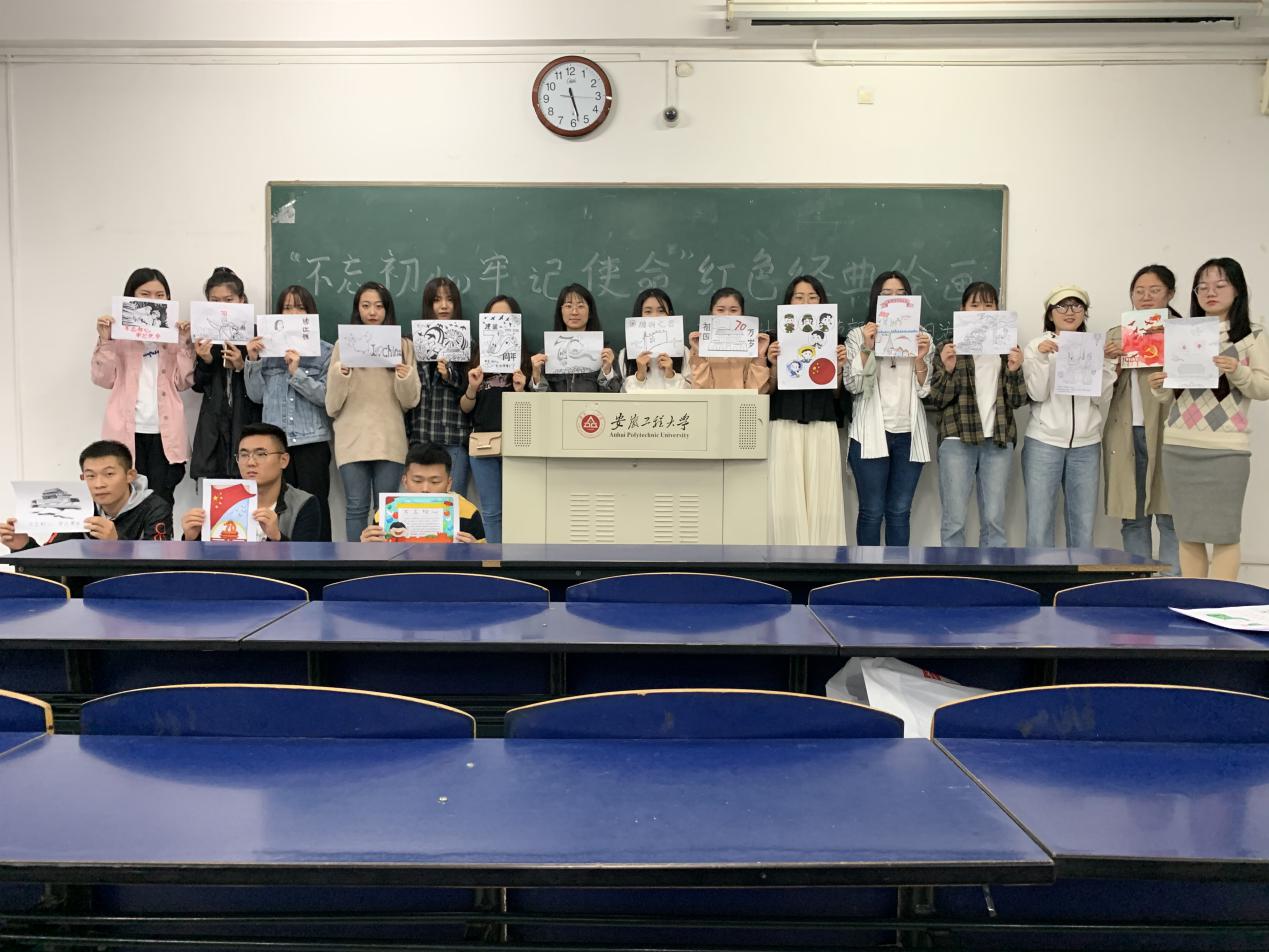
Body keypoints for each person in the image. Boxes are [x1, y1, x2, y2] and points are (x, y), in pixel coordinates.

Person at [1151, 257, 1269, 580]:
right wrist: (1160, 387)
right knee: (1187, 532)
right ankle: (1195, 601)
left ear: (1237, 289)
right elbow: (1173, 395)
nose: (1210, 292)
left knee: (1225, 533)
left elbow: (1263, 387)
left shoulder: (1251, 335)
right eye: (1202, 287)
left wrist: (1238, 371)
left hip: (1226, 449)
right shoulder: (1182, 334)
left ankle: (1222, 603)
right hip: (1178, 444)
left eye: (1219, 285)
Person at [929, 282, 1026, 547]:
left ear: (997, 309)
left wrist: (1015, 370)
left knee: (994, 521)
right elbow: (937, 399)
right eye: (975, 305)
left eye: (988, 304)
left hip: (998, 440)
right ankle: (953, 573)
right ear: (962, 310)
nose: (982, 310)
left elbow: (1018, 400)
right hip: (957, 440)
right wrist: (948, 369)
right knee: (954, 521)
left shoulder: (1007, 348)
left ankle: (991, 573)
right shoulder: (948, 347)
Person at [1022, 285, 1118, 549]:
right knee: (1039, 524)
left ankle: (1078, 576)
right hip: (1044, 442)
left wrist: (1107, 363)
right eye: (1061, 306)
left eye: (1077, 306)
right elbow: (1037, 394)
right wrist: (1042, 359)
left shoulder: (1094, 347)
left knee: (1083, 525)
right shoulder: (1036, 346)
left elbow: (1101, 398)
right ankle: (1039, 574)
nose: (1069, 311)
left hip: (1086, 445)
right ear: (1050, 314)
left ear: (1084, 313)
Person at [326, 282, 421, 542]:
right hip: (352, 439)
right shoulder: (343, 346)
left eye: (379, 306)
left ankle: (384, 561)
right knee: (356, 506)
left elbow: (410, 401)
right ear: (357, 309)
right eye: (366, 305)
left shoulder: (403, 346)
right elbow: (332, 406)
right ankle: (355, 563)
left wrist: (404, 377)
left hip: (390, 438)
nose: (372, 312)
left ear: (387, 310)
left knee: (386, 510)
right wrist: (340, 375)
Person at [844, 271, 934, 546]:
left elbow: (924, 390)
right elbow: (853, 385)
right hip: (870, 433)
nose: (894, 299)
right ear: (876, 299)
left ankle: (897, 570)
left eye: (901, 294)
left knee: (899, 512)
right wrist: (867, 349)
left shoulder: (922, 336)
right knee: (871, 512)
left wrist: (920, 359)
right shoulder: (858, 335)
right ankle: (867, 571)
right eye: (886, 294)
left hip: (909, 434)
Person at [91, 268, 194, 504]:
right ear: (131, 298)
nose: (153, 301)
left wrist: (184, 343)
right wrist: (106, 340)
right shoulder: (118, 335)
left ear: (168, 299)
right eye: (145, 295)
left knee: (161, 501)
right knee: (124, 501)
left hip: (164, 434)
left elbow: (184, 381)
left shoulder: (174, 336)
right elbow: (103, 379)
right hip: (126, 433)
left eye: (160, 295)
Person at [1103, 265, 1181, 574]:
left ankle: (1173, 586)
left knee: (1170, 514)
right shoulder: (1116, 334)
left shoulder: (1183, 333)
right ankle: (1138, 584)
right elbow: (1099, 391)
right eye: (1139, 291)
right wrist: (1112, 363)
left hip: (1167, 431)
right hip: (1125, 432)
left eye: (1154, 290)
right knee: (1133, 515)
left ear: (1169, 294)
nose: (1146, 297)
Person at [243, 285, 334, 540]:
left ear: (310, 313)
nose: (293, 313)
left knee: (316, 506)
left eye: (300, 307)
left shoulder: (326, 351)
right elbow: (256, 396)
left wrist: (297, 373)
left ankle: (319, 560)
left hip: (311, 442)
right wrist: (253, 360)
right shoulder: (266, 351)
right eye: (287, 307)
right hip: (275, 445)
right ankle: (279, 554)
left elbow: (327, 399)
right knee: (277, 507)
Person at [765, 275, 849, 545]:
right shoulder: (774, 341)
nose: (806, 303)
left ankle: (825, 558)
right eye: (799, 297)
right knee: (785, 498)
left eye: (813, 297)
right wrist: (773, 364)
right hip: (784, 424)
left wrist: (840, 369)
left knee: (823, 496)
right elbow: (768, 390)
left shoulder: (836, 341)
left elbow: (837, 395)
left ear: (822, 303)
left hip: (822, 423)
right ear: (788, 303)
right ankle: (784, 557)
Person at [1, 440, 173, 549]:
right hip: (81, 592)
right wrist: (23, 545)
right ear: (83, 478)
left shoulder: (155, 508)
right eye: (91, 476)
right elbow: (51, 568)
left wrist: (118, 544)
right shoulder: (78, 507)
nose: (99, 484)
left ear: (130, 475)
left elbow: (158, 569)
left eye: (109, 474)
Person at [459, 294, 529, 544]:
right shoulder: (476, 360)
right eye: (493, 318)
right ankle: (495, 561)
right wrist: (472, 387)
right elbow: (465, 407)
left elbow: (532, 412)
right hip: (483, 443)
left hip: (518, 445)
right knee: (491, 511)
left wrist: (521, 391)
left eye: (506, 319)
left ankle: (518, 560)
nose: (500, 324)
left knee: (521, 510)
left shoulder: (526, 360)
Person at [179, 423, 321, 542]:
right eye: (244, 455)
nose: (251, 462)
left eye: (261, 454)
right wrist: (191, 539)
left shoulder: (303, 504)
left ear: (283, 460)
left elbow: (305, 561)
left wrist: (277, 537)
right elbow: (206, 559)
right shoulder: (220, 500)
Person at [190, 267, 262, 480]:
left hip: (246, 421)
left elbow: (261, 391)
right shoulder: (204, 335)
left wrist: (242, 366)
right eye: (214, 301)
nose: (222, 307)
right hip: (214, 426)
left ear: (242, 300)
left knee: (248, 483)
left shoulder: (256, 336)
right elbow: (197, 385)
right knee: (216, 490)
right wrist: (206, 361)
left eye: (228, 300)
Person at [408, 276, 471, 496]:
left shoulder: (468, 345)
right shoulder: (411, 345)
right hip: (420, 435)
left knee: (453, 504)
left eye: (449, 300)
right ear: (428, 305)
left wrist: (449, 375)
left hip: (454, 435)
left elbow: (471, 392)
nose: (444, 306)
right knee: (420, 505)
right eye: (436, 300)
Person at [359, 443, 486, 543]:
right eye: (417, 481)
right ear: (405, 481)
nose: (425, 489)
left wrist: (475, 550)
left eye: (435, 481)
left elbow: (483, 561)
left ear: (448, 483)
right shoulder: (386, 513)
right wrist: (368, 547)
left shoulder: (468, 513)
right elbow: (380, 559)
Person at [528, 284, 620, 392]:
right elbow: (541, 400)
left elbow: (613, 396)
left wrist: (607, 371)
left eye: (580, 306)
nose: (574, 312)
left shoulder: (605, 354)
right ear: (561, 311)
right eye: (568, 306)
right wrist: (536, 377)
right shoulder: (546, 354)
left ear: (590, 311)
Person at [688, 287, 771, 391]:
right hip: (710, 401)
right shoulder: (700, 346)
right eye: (720, 310)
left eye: (733, 310)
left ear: (742, 314)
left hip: (744, 401)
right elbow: (700, 389)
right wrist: (699, 353)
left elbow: (758, 391)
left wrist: (759, 355)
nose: (727, 315)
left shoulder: (751, 346)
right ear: (711, 313)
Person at [620, 288, 688, 391]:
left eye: (661, 311)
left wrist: (671, 376)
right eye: (648, 311)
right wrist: (640, 376)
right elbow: (623, 395)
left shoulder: (683, 351)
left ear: (669, 314)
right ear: (639, 315)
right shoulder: (626, 353)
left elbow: (691, 393)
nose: (655, 316)